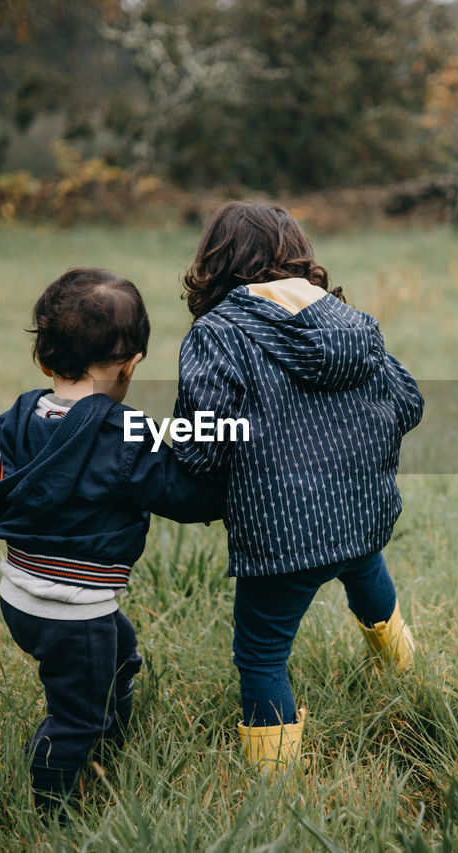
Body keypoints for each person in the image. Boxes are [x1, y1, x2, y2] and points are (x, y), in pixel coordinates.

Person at [0, 268, 225, 813]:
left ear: (44, 360)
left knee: (121, 655)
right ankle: (50, 807)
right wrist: (228, 441)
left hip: (19, 598)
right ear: (131, 365)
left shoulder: (11, 423)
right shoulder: (128, 435)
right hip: (73, 612)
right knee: (75, 715)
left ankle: (110, 738)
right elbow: (185, 495)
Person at [173, 201, 424, 773]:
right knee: (368, 579)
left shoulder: (218, 333)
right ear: (297, 254)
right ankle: (408, 675)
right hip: (361, 512)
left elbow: (204, 441)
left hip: (282, 530)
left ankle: (274, 785)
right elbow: (407, 400)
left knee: (262, 654)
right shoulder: (349, 322)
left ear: (215, 262)